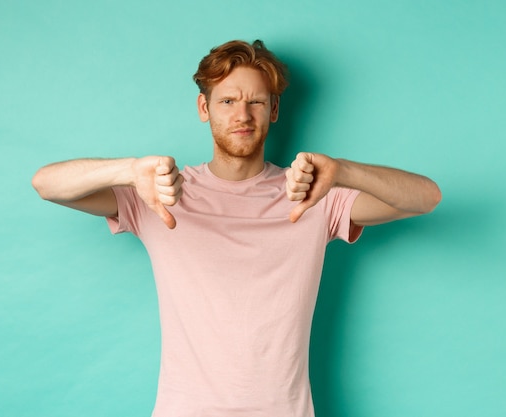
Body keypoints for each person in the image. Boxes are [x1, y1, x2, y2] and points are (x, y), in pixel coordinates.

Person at [32, 40, 441, 417]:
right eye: (227, 100)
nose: (242, 115)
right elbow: (46, 184)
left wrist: (342, 171)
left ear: (274, 110)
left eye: (256, 102)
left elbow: (426, 198)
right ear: (203, 108)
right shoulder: (158, 193)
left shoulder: (314, 194)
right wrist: (128, 169)